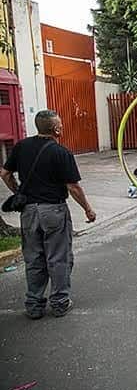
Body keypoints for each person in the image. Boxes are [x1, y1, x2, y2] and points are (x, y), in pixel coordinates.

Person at [0, 109, 96, 319]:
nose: (62, 127)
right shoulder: (61, 153)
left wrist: (18, 191)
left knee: (33, 258)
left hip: (29, 211)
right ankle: (60, 302)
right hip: (53, 210)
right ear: (55, 129)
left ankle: (34, 304)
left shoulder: (21, 147)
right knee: (58, 257)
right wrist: (88, 209)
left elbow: (5, 173)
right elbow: (73, 187)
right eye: (60, 124)